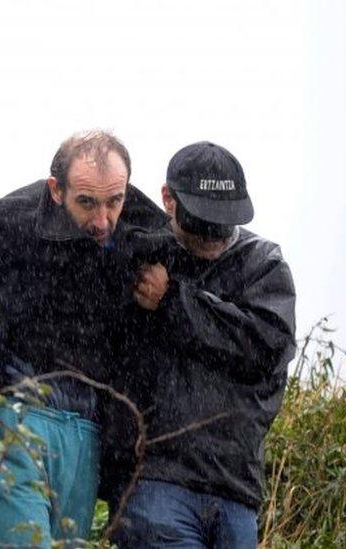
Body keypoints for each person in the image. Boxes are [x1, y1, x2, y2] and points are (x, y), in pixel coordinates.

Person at [0, 130, 167, 546]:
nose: (102, 220)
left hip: (87, 432)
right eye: (86, 202)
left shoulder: (148, 241)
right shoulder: (13, 224)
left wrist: (168, 295)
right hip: (19, 413)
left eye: (114, 201)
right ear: (56, 189)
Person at [105, 142, 296, 548]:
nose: (213, 236)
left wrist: (173, 301)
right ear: (168, 201)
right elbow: (72, 191)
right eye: (203, 222)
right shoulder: (143, 251)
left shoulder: (264, 264)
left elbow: (266, 348)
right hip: (158, 480)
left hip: (237, 489)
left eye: (223, 223)